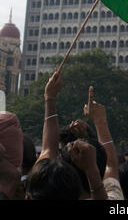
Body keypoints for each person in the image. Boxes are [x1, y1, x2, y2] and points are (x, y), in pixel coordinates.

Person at [25, 69, 107, 200]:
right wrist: (91, 169)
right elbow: (112, 168)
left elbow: (48, 150)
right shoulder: (113, 193)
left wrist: (49, 98)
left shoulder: (44, 184)